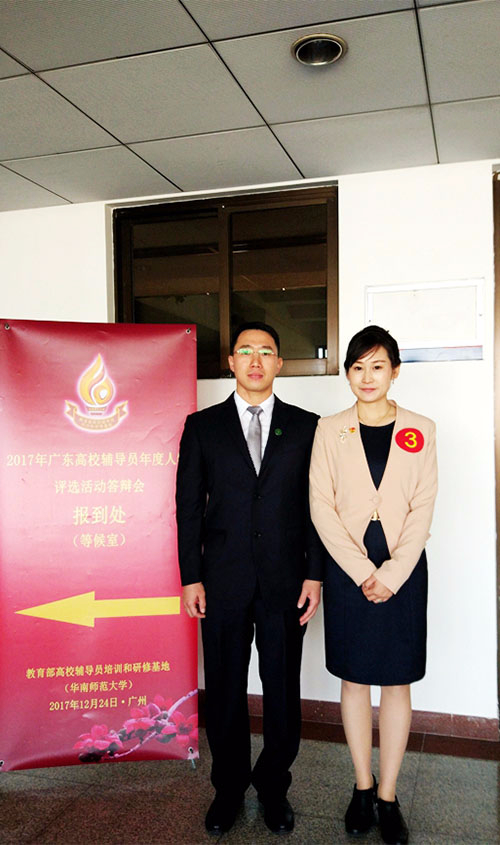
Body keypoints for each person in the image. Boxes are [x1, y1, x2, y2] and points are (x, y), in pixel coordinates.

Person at [176, 321, 323, 835]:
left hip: (286, 581)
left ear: (280, 362)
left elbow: (318, 508)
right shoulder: (203, 426)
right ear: (231, 362)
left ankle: (274, 786)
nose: (255, 360)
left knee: (282, 689)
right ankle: (229, 788)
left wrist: (315, 575)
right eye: (245, 351)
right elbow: (188, 508)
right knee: (223, 688)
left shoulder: (307, 427)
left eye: (266, 352)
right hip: (222, 581)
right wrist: (191, 577)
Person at [309, 326, 437, 845]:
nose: (367, 376)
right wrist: (363, 572)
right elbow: (321, 506)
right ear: (347, 373)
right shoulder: (329, 429)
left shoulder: (421, 429)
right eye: (357, 367)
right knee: (355, 678)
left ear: (395, 371)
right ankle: (362, 786)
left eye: (377, 366)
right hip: (348, 571)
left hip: (403, 572)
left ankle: (388, 795)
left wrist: (391, 573)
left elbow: (423, 508)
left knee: (397, 680)